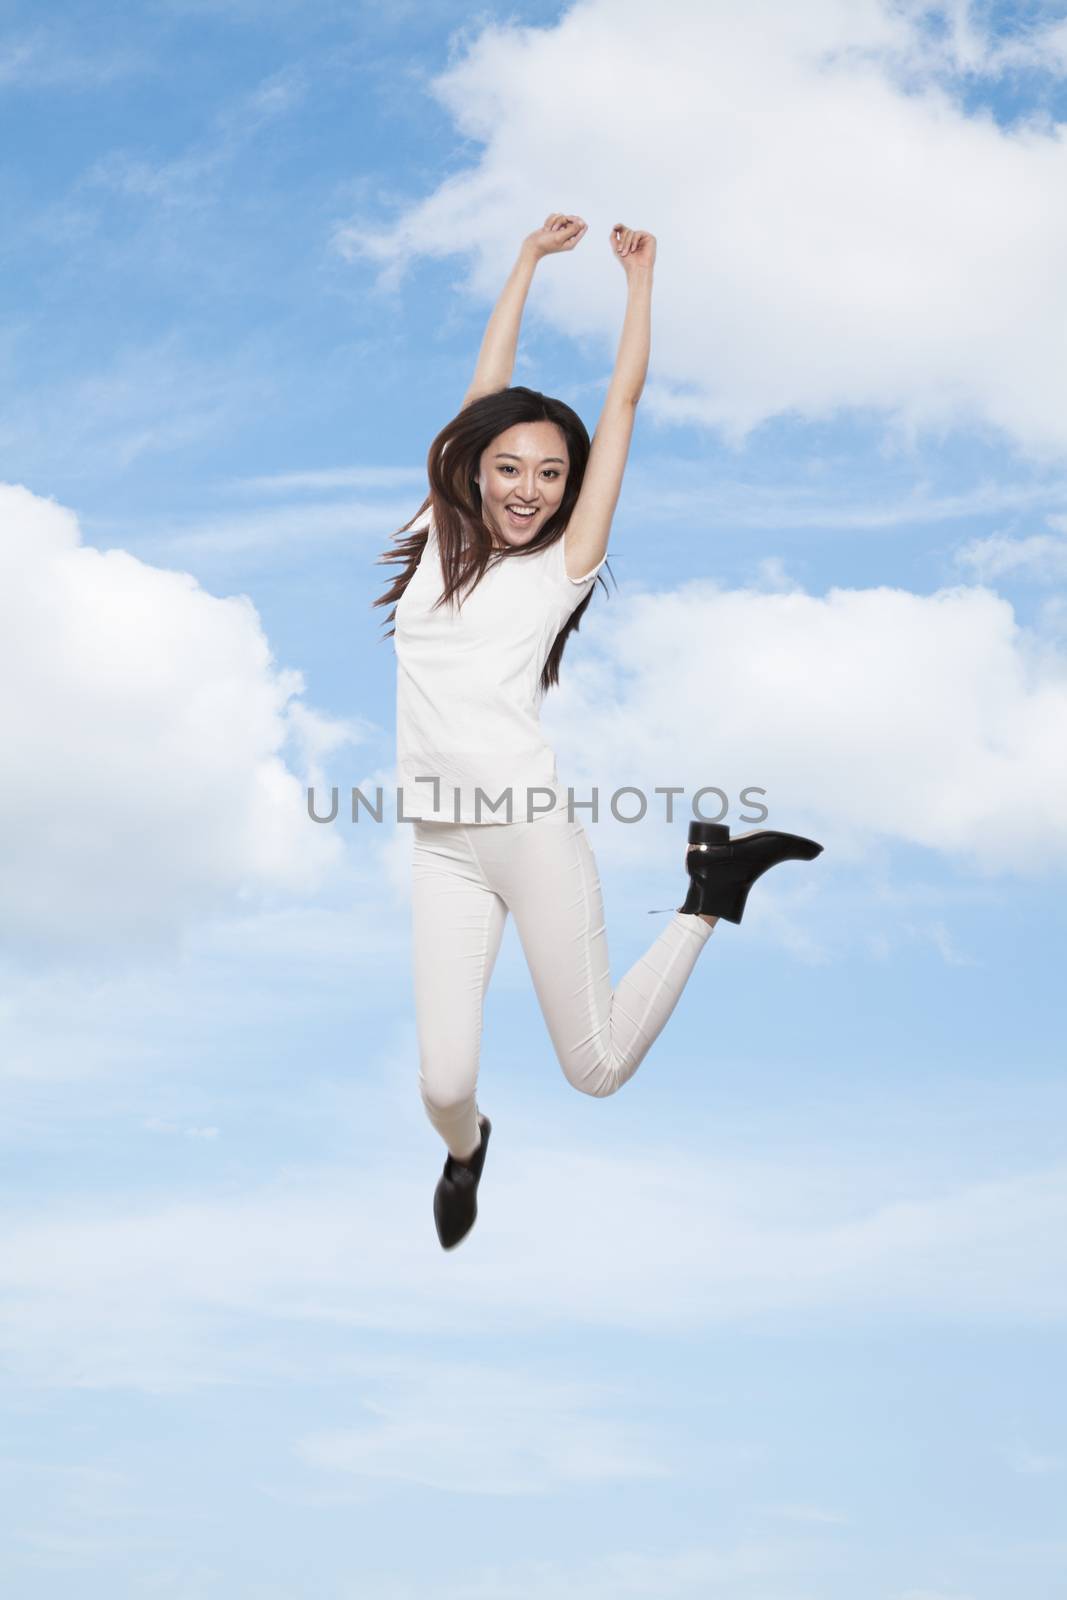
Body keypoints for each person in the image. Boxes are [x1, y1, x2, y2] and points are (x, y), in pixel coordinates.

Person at [374, 214, 823, 1251]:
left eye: (550, 474)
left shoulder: (556, 569)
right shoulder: (429, 530)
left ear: (569, 488)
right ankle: (466, 1148)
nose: (528, 488)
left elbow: (620, 404)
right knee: (442, 1082)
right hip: (441, 845)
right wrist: (525, 261)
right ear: (473, 469)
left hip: (529, 833)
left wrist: (637, 284)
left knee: (596, 1070)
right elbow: (482, 396)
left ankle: (710, 893)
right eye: (509, 468)